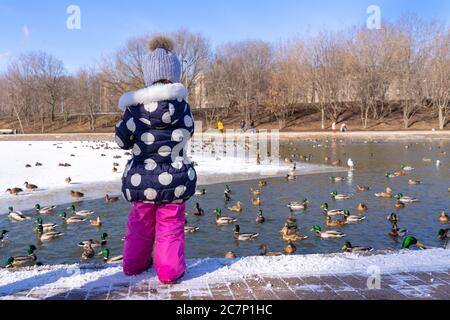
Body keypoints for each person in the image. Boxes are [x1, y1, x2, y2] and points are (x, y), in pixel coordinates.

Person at [115, 36, 197, 284]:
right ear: (174, 75)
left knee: (139, 224)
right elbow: (188, 132)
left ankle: (133, 266)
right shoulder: (183, 108)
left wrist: (136, 139)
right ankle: (170, 272)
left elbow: (121, 140)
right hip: (176, 178)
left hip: (141, 179)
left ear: (148, 77)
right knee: (170, 225)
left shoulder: (135, 110)